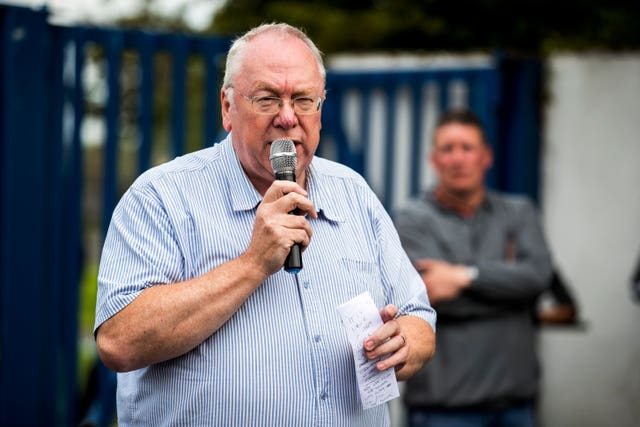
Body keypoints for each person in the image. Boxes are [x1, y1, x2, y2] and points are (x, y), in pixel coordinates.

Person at [93, 23, 436, 426]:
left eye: (304, 100)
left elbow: (418, 314)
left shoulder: (353, 192)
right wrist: (253, 264)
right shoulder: (162, 197)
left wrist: (404, 343)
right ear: (227, 108)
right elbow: (119, 341)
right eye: (267, 98)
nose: (288, 117)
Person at [394, 109, 552, 427]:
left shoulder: (518, 213)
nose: (457, 158)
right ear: (433, 159)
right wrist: (509, 291)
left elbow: (537, 277)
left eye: (467, 148)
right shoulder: (411, 220)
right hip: (442, 410)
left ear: (486, 156)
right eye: (447, 149)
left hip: (516, 407)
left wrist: (464, 276)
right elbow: (428, 296)